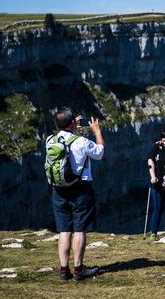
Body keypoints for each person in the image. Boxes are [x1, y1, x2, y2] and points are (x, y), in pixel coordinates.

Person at [48, 107, 104, 281]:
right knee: (79, 229)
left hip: (58, 190)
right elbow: (100, 153)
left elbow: (65, 139)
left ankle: (64, 270)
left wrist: (72, 126)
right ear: (72, 122)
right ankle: (78, 269)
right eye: (75, 121)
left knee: (64, 230)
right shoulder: (82, 142)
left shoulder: (50, 140)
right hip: (79, 189)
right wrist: (97, 132)